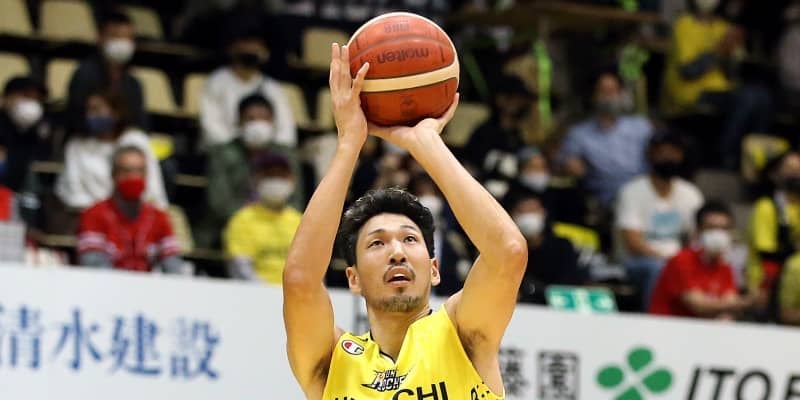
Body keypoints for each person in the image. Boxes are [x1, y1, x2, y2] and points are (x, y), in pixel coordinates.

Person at [282, 44, 526, 399]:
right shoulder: (333, 362)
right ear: (353, 278)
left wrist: (425, 143)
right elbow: (300, 281)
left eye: (410, 239)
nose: (397, 252)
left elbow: (508, 252)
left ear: (435, 269)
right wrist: (349, 143)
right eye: (377, 243)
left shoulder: (461, 333)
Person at [662, 0, 771, 169]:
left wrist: (737, 47)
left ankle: (756, 159)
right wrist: (720, 49)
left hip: (722, 90)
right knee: (749, 98)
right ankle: (726, 154)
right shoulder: (685, 25)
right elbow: (689, 71)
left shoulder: (722, 26)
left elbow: (735, 72)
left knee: (762, 97)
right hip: (691, 92)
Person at [197, 94, 302, 248]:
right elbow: (219, 203)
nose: (258, 124)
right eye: (251, 119)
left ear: (273, 122)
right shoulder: (222, 155)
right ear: (239, 122)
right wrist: (252, 223)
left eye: (264, 118)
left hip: (279, 229)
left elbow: (296, 202)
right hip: (227, 229)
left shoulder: (286, 155)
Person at [615, 132, 704, 310]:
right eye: (664, 153)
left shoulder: (691, 194)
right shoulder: (632, 191)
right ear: (651, 155)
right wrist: (670, 261)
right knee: (659, 269)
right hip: (639, 262)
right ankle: (655, 318)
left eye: (675, 154)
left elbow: (697, 237)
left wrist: (682, 261)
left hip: (678, 260)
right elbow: (633, 243)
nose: (669, 158)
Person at [56, 90, 167, 211]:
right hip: (87, 213)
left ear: (116, 112)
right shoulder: (76, 145)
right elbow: (72, 192)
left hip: (133, 215)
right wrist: (102, 213)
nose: (91, 115)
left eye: (96, 109)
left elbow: (153, 190)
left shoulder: (137, 140)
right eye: (88, 110)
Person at [77, 146, 183, 273]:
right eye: (126, 171)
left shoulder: (158, 217)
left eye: (140, 171)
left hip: (147, 283)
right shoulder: (94, 214)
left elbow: (174, 267)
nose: (133, 177)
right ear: (114, 174)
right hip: (107, 283)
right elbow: (93, 267)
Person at [558, 70, 654, 210]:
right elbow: (564, 165)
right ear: (593, 95)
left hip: (645, 195)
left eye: (613, 91)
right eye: (603, 91)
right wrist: (570, 166)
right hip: (606, 200)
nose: (609, 97)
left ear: (622, 94)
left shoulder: (641, 126)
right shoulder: (579, 134)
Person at [649, 201, 752, 318]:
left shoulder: (725, 266)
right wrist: (745, 302)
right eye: (711, 228)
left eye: (724, 229)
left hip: (704, 327)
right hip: (667, 326)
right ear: (698, 231)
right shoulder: (681, 260)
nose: (718, 234)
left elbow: (729, 306)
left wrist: (730, 311)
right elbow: (699, 306)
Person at [200, 26, 295, 148]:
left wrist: (273, 146)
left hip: (267, 149)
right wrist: (238, 146)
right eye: (247, 43)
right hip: (228, 147)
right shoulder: (216, 82)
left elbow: (286, 130)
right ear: (232, 48)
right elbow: (210, 125)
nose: (252, 49)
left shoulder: (272, 87)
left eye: (257, 45)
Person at [224, 153, 302, 284]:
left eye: (281, 175)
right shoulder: (242, 220)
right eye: (270, 175)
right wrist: (267, 291)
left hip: (297, 292)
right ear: (256, 180)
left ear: (292, 180)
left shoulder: (301, 221)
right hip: (255, 292)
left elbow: (313, 268)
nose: (276, 181)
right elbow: (240, 269)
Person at [66, 10, 147, 133]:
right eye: (116, 36)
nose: (122, 43)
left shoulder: (133, 84)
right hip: (87, 139)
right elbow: (75, 118)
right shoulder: (84, 75)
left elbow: (140, 124)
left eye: (128, 38)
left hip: (122, 140)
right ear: (100, 37)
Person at [507, 189, 586, 305]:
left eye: (532, 210)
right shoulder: (507, 251)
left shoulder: (562, 247)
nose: (528, 216)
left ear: (543, 213)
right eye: (522, 211)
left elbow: (569, 284)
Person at [747, 151, 800, 314]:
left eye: (799, 169)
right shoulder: (766, 206)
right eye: (790, 168)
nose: (796, 174)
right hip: (767, 279)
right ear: (774, 174)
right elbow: (767, 253)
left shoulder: (797, 207)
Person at [0, 76, 50, 194]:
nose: (31, 104)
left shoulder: (40, 127)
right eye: (26, 97)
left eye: (36, 99)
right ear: (8, 97)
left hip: (24, 191)